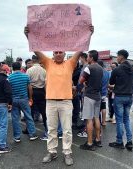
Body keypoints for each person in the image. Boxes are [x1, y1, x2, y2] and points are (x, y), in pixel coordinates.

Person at [25, 24, 94, 166]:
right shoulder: (47, 63)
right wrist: (28, 35)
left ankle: (67, 152)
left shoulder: (70, 63)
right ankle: (52, 151)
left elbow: (80, 48)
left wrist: (89, 34)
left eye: (60, 52)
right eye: (55, 52)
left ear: (64, 53)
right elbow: (37, 51)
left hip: (66, 102)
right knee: (51, 129)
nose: (58, 54)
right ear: (53, 54)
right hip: (50, 102)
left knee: (67, 130)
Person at [108, 49, 133, 151]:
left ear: (121, 56)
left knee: (119, 120)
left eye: (117, 56)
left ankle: (119, 142)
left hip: (119, 96)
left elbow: (111, 81)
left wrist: (114, 86)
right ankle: (129, 142)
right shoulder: (131, 69)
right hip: (129, 96)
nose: (117, 58)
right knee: (126, 119)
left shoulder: (117, 69)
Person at [79, 50, 103, 151]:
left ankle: (89, 143)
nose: (87, 58)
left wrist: (84, 83)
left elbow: (81, 80)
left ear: (91, 58)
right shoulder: (101, 68)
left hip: (89, 96)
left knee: (89, 120)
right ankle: (97, 139)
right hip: (98, 95)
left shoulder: (89, 68)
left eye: (88, 57)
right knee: (96, 118)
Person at [8, 62, 38, 142]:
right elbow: (30, 88)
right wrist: (30, 98)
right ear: (21, 67)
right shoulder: (25, 76)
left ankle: (17, 137)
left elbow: (9, 90)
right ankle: (32, 134)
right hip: (24, 99)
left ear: (12, 68)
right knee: (28, 116)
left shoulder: (10, 77)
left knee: (15, 118)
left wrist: (9, 101)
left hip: (14, 100)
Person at [26, 55, 48, 140]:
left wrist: (29, 96)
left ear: (32, 60)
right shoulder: (44, 70)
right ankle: (47, 130)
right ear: (39, 60)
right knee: (44, 112)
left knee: (30, 112)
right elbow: (46, 82)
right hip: (42, 91)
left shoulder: (29, 70)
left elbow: (27, 83)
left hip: (32, 91)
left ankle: (31, 131)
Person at [98, 60, 110, 126]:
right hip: (104, 92)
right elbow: (108, 83)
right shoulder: (107, 73)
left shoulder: (97, 72)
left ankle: (98, 122)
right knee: (103, 107)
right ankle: (104, 122)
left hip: (97, 92)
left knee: (97, 108)